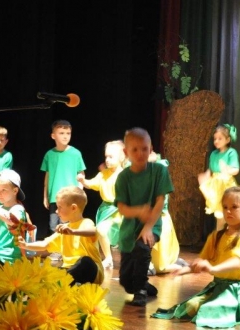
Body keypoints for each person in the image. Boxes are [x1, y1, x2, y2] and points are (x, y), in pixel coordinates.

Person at [152, 187, 240, 329]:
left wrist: (214, 268)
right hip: (217, 286)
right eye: (225, 207)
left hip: (238, 291)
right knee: (189, 307)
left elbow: (237, 262)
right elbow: (202, 261)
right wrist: (185, 270)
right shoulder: (215, 237)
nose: (228, 211)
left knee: (211, 311)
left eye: (234, 207)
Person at [114, 127, 174, 306]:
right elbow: (122, 208)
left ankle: (140, 291)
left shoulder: (159, 171)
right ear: (126, 153)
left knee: (142, 248)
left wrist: (148, 227)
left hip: (152, 224)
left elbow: (160, 201)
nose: (140, 153)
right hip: (129, 230)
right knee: (126, 282)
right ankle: (144, 287)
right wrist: (139, 211)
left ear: (151, 149)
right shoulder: (123, 178)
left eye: (144, 149)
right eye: (135, 149)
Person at [23, 186, 104, 285]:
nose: (56, 211)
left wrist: (73, 231)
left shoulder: (86, 223)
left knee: (86, 262)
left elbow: (93, 231)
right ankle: (61, 281)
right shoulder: (65, 229)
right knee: (46, 272)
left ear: (73, 208)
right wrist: (24, 245)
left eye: (59, 207)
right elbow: (44, 244)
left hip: (92, 272)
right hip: (69, 269)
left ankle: (61, 281)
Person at [78, 140, 124, 269]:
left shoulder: (126, 174)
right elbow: (91, 184)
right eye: (106, 157)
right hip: (108, 210)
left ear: (121, 157)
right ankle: (108, 258)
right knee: (101, 230)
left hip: (123, 210)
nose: (107, 160)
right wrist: (83, 181)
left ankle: (135, 261)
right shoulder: (103, 174)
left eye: (111, 157)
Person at [41, 120, 86, 235]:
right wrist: (45, 196)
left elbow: (81, 174)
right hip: (54, 197)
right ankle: (56, 245)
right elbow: (47, 176)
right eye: (61, 133)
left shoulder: (75, 153)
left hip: (70, 197)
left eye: (68, 133)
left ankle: (66, 246)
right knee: (53, 225)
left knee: (66, 224)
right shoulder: (49, 154)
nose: (65, 136)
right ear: (53, 136)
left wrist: (79, 193)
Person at [147, 151, 184, 275]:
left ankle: (174, 264)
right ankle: (151, 263)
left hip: (159, 218)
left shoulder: (160, 174)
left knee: (161, 266)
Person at [197, 124, 240, 232]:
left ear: (227, 139)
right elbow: (211, 170)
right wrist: (205, 176)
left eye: (220, 138)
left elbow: (235, 170)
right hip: (216, 186)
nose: (216, 141)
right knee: (219, 213)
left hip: (226, 185)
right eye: (215, 139)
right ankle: (220, 235)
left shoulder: (231, 152)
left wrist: (226, 170)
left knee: (227, 211)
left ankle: (228, 234)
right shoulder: (213, 154)